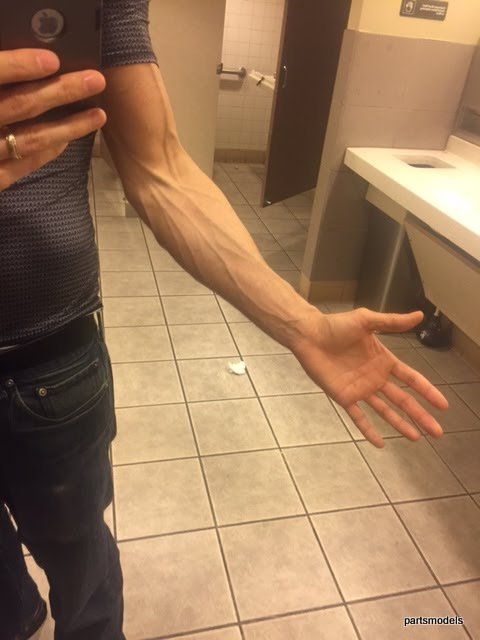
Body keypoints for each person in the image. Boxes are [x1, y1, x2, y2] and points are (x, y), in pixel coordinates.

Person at [0, 1, 447, 638]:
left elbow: (161, 171)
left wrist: (301, 323)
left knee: (80, 558)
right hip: (53, 359)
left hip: (49, 360)